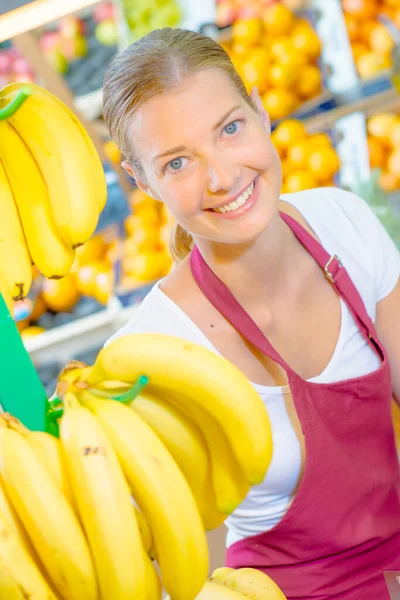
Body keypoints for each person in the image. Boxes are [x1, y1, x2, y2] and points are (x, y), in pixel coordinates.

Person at [102, 27, 400, 600]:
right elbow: (188, 573)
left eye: (230, 129)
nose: (221, 178)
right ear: (141, 181)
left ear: (262, 111)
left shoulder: (346, 223)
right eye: (178, 163)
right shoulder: (157, 353)